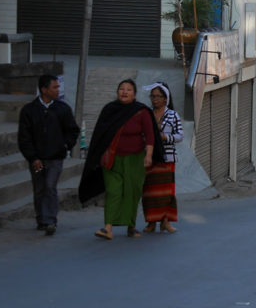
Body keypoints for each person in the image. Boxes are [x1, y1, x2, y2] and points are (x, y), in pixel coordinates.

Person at [78, 79, 164, 240]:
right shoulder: (110, 110)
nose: (124, 92)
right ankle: (108, 227)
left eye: (128, 89)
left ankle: (131, 226)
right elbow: (100, 134)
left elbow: (150, 134)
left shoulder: (141, 111)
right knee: (113, 191)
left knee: (132, 192)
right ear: (117, 92)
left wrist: (149, 155)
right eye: (121, 89)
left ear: (135, 94)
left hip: (135, 159)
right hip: (112, 158)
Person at [17, 74, 80, 236]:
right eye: (55, 87)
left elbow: (73, 131)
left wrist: (65, 146)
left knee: (50, 187)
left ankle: (50, 220)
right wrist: (33, 158)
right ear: (44, 90)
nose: (58, 90)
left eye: (58, 87)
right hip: (37, 158)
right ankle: (41, 219)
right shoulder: (29, 111)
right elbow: (24, 137)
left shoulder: (63, 109)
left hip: (56, 158)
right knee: (39, 189)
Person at [142, 82, 182, 233]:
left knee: (167, 192)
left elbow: (180, 135)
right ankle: (151, 222)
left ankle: (166, 221)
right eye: (153, 96)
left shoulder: (173, 115)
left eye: (158, 96)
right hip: (150, 157)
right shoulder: (147, 115)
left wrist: (165, 137)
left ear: (166, 99)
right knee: (150, 192)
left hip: (167, 157)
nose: (155, 99)